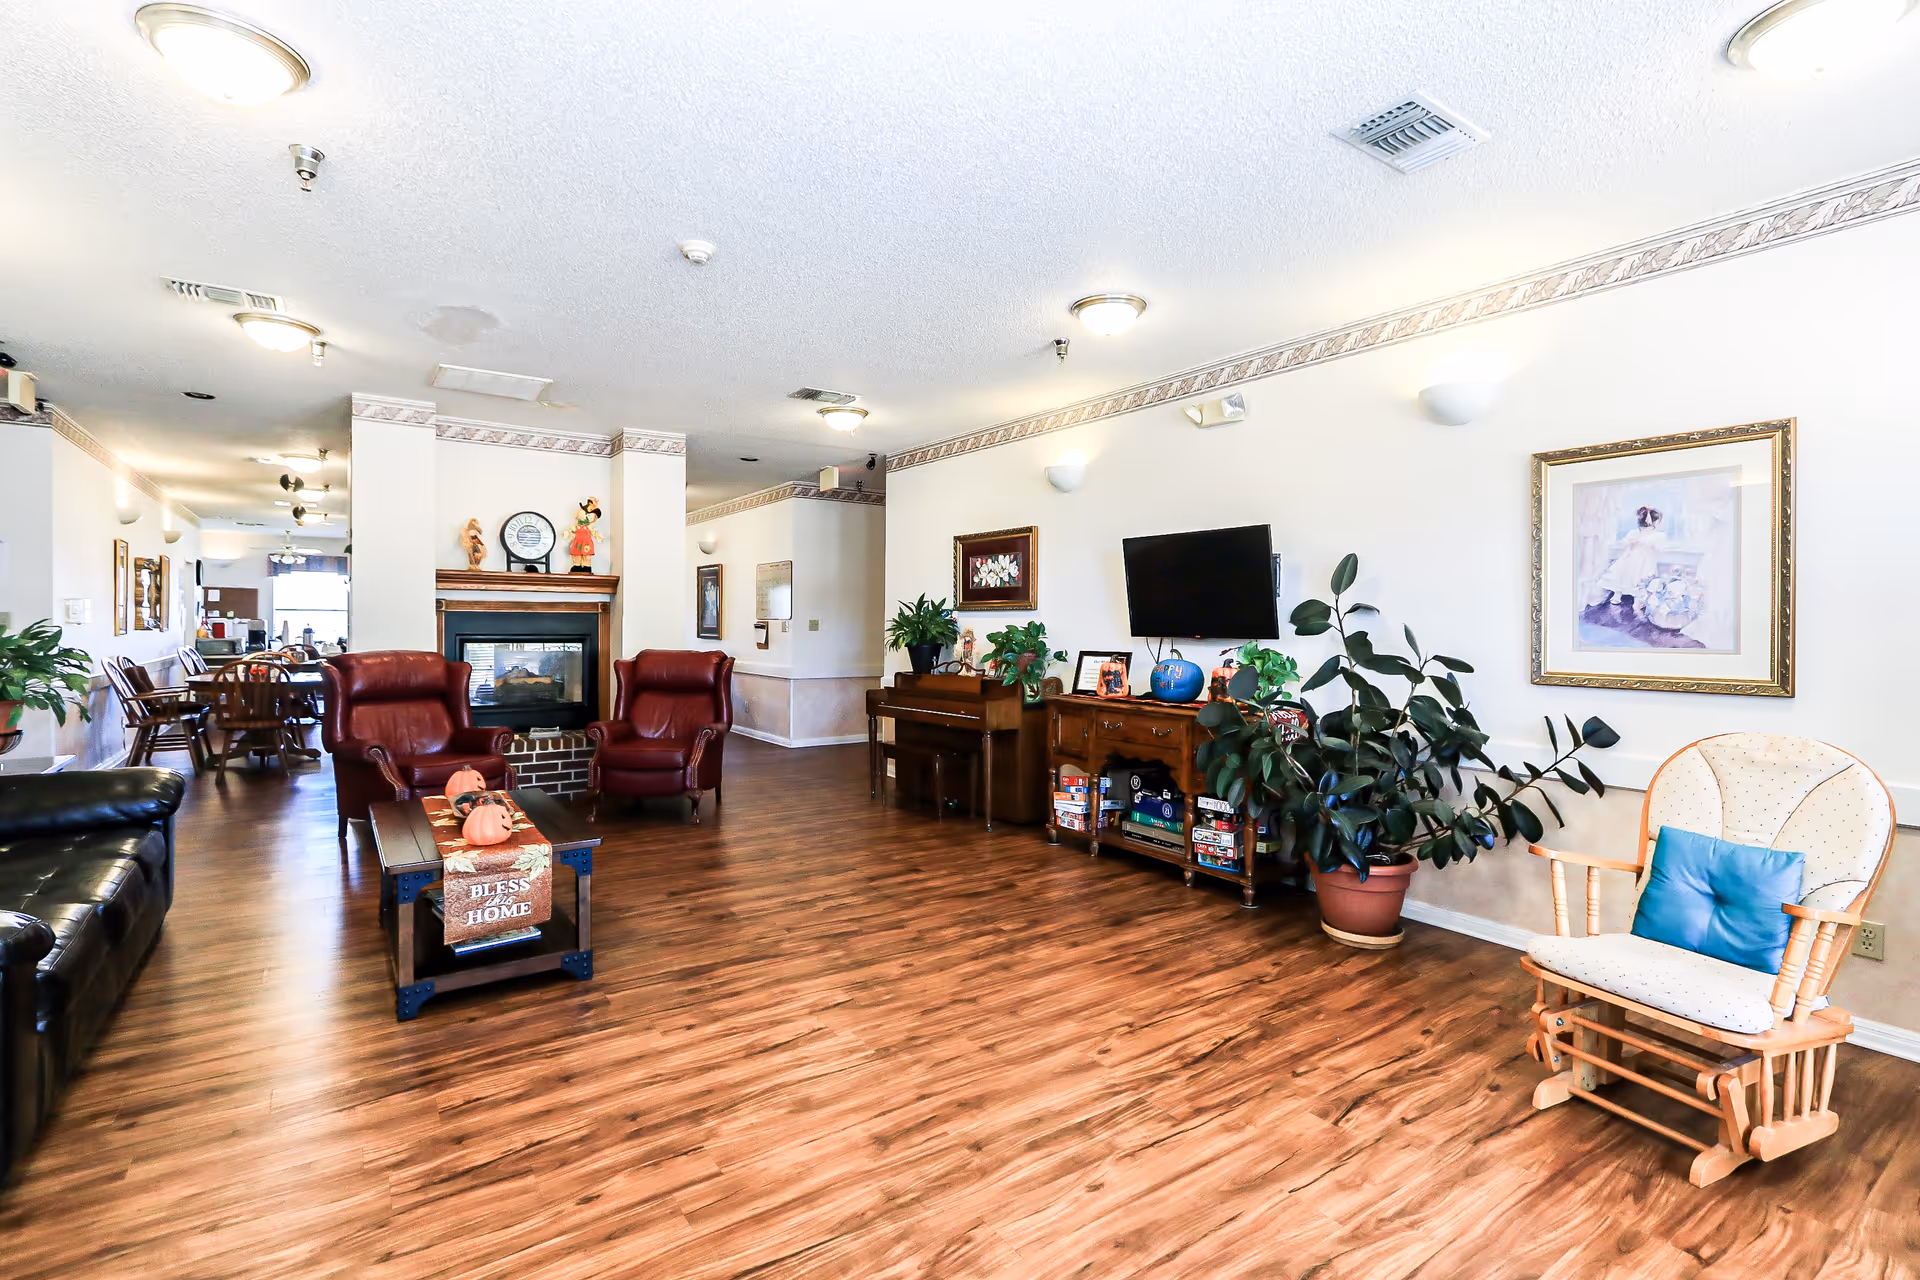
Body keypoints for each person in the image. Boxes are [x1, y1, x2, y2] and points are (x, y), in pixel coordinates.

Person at [1587, 505, 1667, 616]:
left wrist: (1638, 542)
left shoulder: (1636, 533)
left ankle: (1617, 597)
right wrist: (1641, 543)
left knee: (1622, 577)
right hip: (1642, 562)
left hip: (1628, 559)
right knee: (1638, 580)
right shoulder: (1658, 536)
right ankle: (1636, 603)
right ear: (1656, 522)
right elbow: (1660, 550)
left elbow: (1624, 543)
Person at [568, 499, 602, 572]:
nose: (587, 515)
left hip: (586, 543)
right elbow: (572, 531)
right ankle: (576, 566)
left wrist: (598, 536)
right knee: (576, 554)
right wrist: (567, 533)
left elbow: (594, 532)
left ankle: (587, 566)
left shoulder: (589, 527)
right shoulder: (577, 526)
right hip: (577, 543)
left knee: (587, 555)